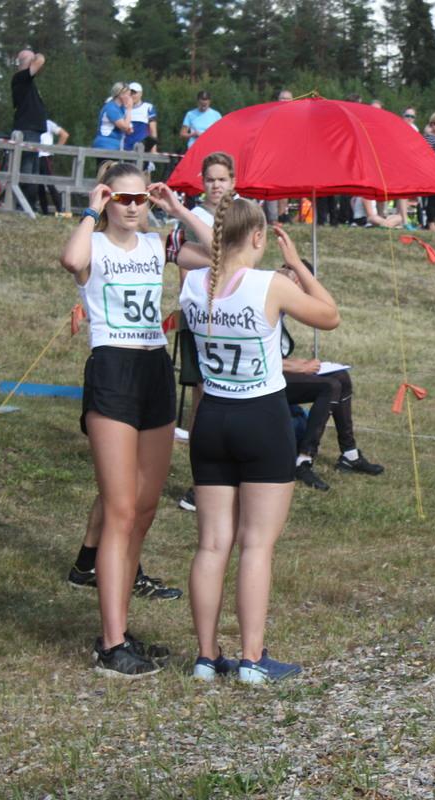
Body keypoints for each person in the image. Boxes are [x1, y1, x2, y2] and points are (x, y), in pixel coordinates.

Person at [59, 164, 211, 677]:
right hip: (112, 368)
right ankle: (110, 643)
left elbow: (221, 253)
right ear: (108, 200)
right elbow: (71, 260)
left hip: (154, 368)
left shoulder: (155, 244)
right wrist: (90, 209)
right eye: (121, 198)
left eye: (139, 198)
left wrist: (178, 209)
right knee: (120, 510)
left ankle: (120, 629)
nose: (131, 207)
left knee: (144, 510)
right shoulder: (94, 244)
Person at [180, 206, 340, 683]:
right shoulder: (269, 284)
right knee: (256, 545)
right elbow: (330, 316)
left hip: (212, 417)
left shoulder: (193, 284)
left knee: (211, 545)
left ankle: (206, 657)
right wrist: (299, 266)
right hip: (261, 417)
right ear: (257, 236)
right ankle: (251, 658)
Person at [171, 151, 237, 513]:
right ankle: (200, 480)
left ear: (233, 181)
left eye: (222, 179)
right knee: (203, 399)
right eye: (210, 179)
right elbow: (185, 272)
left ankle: (229, 474)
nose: (216, 186)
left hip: (235, 317)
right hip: (201, 316)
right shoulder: (191, 218)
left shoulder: (242, 213)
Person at [280, 297, 385, 491]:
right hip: (263, 381)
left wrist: (297, 363)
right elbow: (256, 358)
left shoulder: (281, 306)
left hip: (280, 371)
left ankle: (349, 454)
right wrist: (297, 366)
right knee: (330, 386)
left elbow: (324, 315)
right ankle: (303, 459)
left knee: (341, 377)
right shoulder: (263, 305)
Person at [11, 50, 48, 209]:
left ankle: (29, 206)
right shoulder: (20, 77)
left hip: (33, 131)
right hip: (27, 130)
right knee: (26, 169)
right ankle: (22, 205)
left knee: (33, 171)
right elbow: (41, 60)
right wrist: (35, 57)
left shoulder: (27, 81)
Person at [92, 82, 134, 160]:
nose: (130, 98)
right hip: (106, 145)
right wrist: (129, 109)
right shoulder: (111, 108)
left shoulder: (121, 109)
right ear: (121, 95)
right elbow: (124, 127)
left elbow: (128, 128)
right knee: (107, 167)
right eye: (128, 95)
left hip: (115, 145)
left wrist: (128, 128)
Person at [36, 118, 69, 215]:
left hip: (45, 156)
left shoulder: (48, 123)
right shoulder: (33, 122)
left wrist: (54, 150)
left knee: (50, 184)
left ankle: (60, 210)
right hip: (35, 156)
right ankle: (44, 211)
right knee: (38, 186)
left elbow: (64, 135)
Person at [125, 82, 157, 154]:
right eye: (130, 93)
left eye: (134, 93)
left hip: (142, 148)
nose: (132, 96)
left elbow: (153, 131)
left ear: (141, 94)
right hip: (125, 148)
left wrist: (153, 150)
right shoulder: (123, 108)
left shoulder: (148, 107)